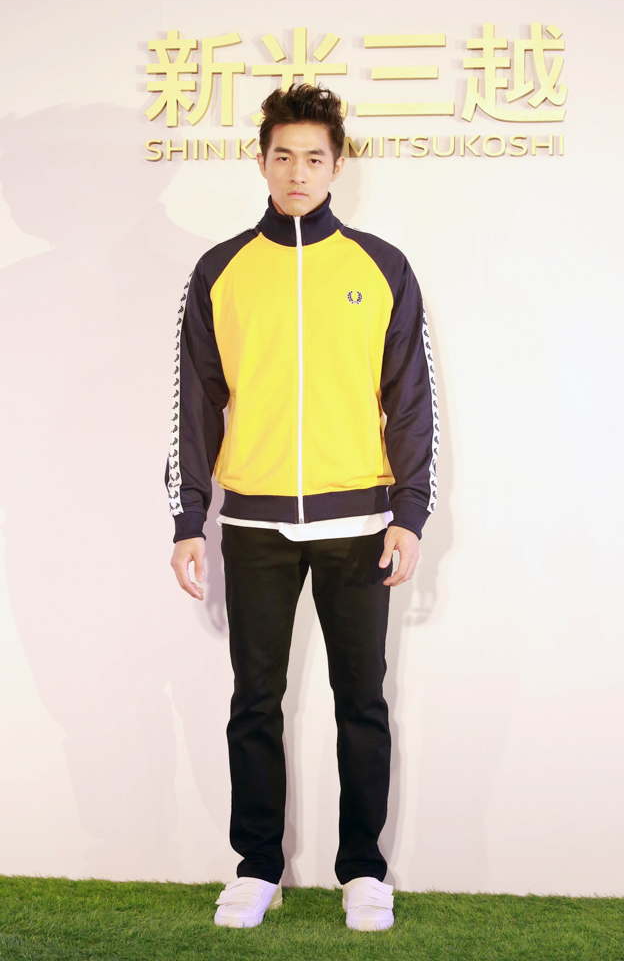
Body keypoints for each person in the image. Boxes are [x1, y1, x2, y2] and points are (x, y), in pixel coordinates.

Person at [167, 83, 438, 932]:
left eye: (312, 158)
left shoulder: (380, 266)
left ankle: (363, 870)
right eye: (281, 156)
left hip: (358, 523)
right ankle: (258, 867)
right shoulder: (220, 271)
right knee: (255, 700)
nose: (296, 172)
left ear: (336, 165)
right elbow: (196, 403)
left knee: (362, 701)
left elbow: (410, 400)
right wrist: (187, 519)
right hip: (252, 523)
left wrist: (409, 512)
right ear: (260, 162)